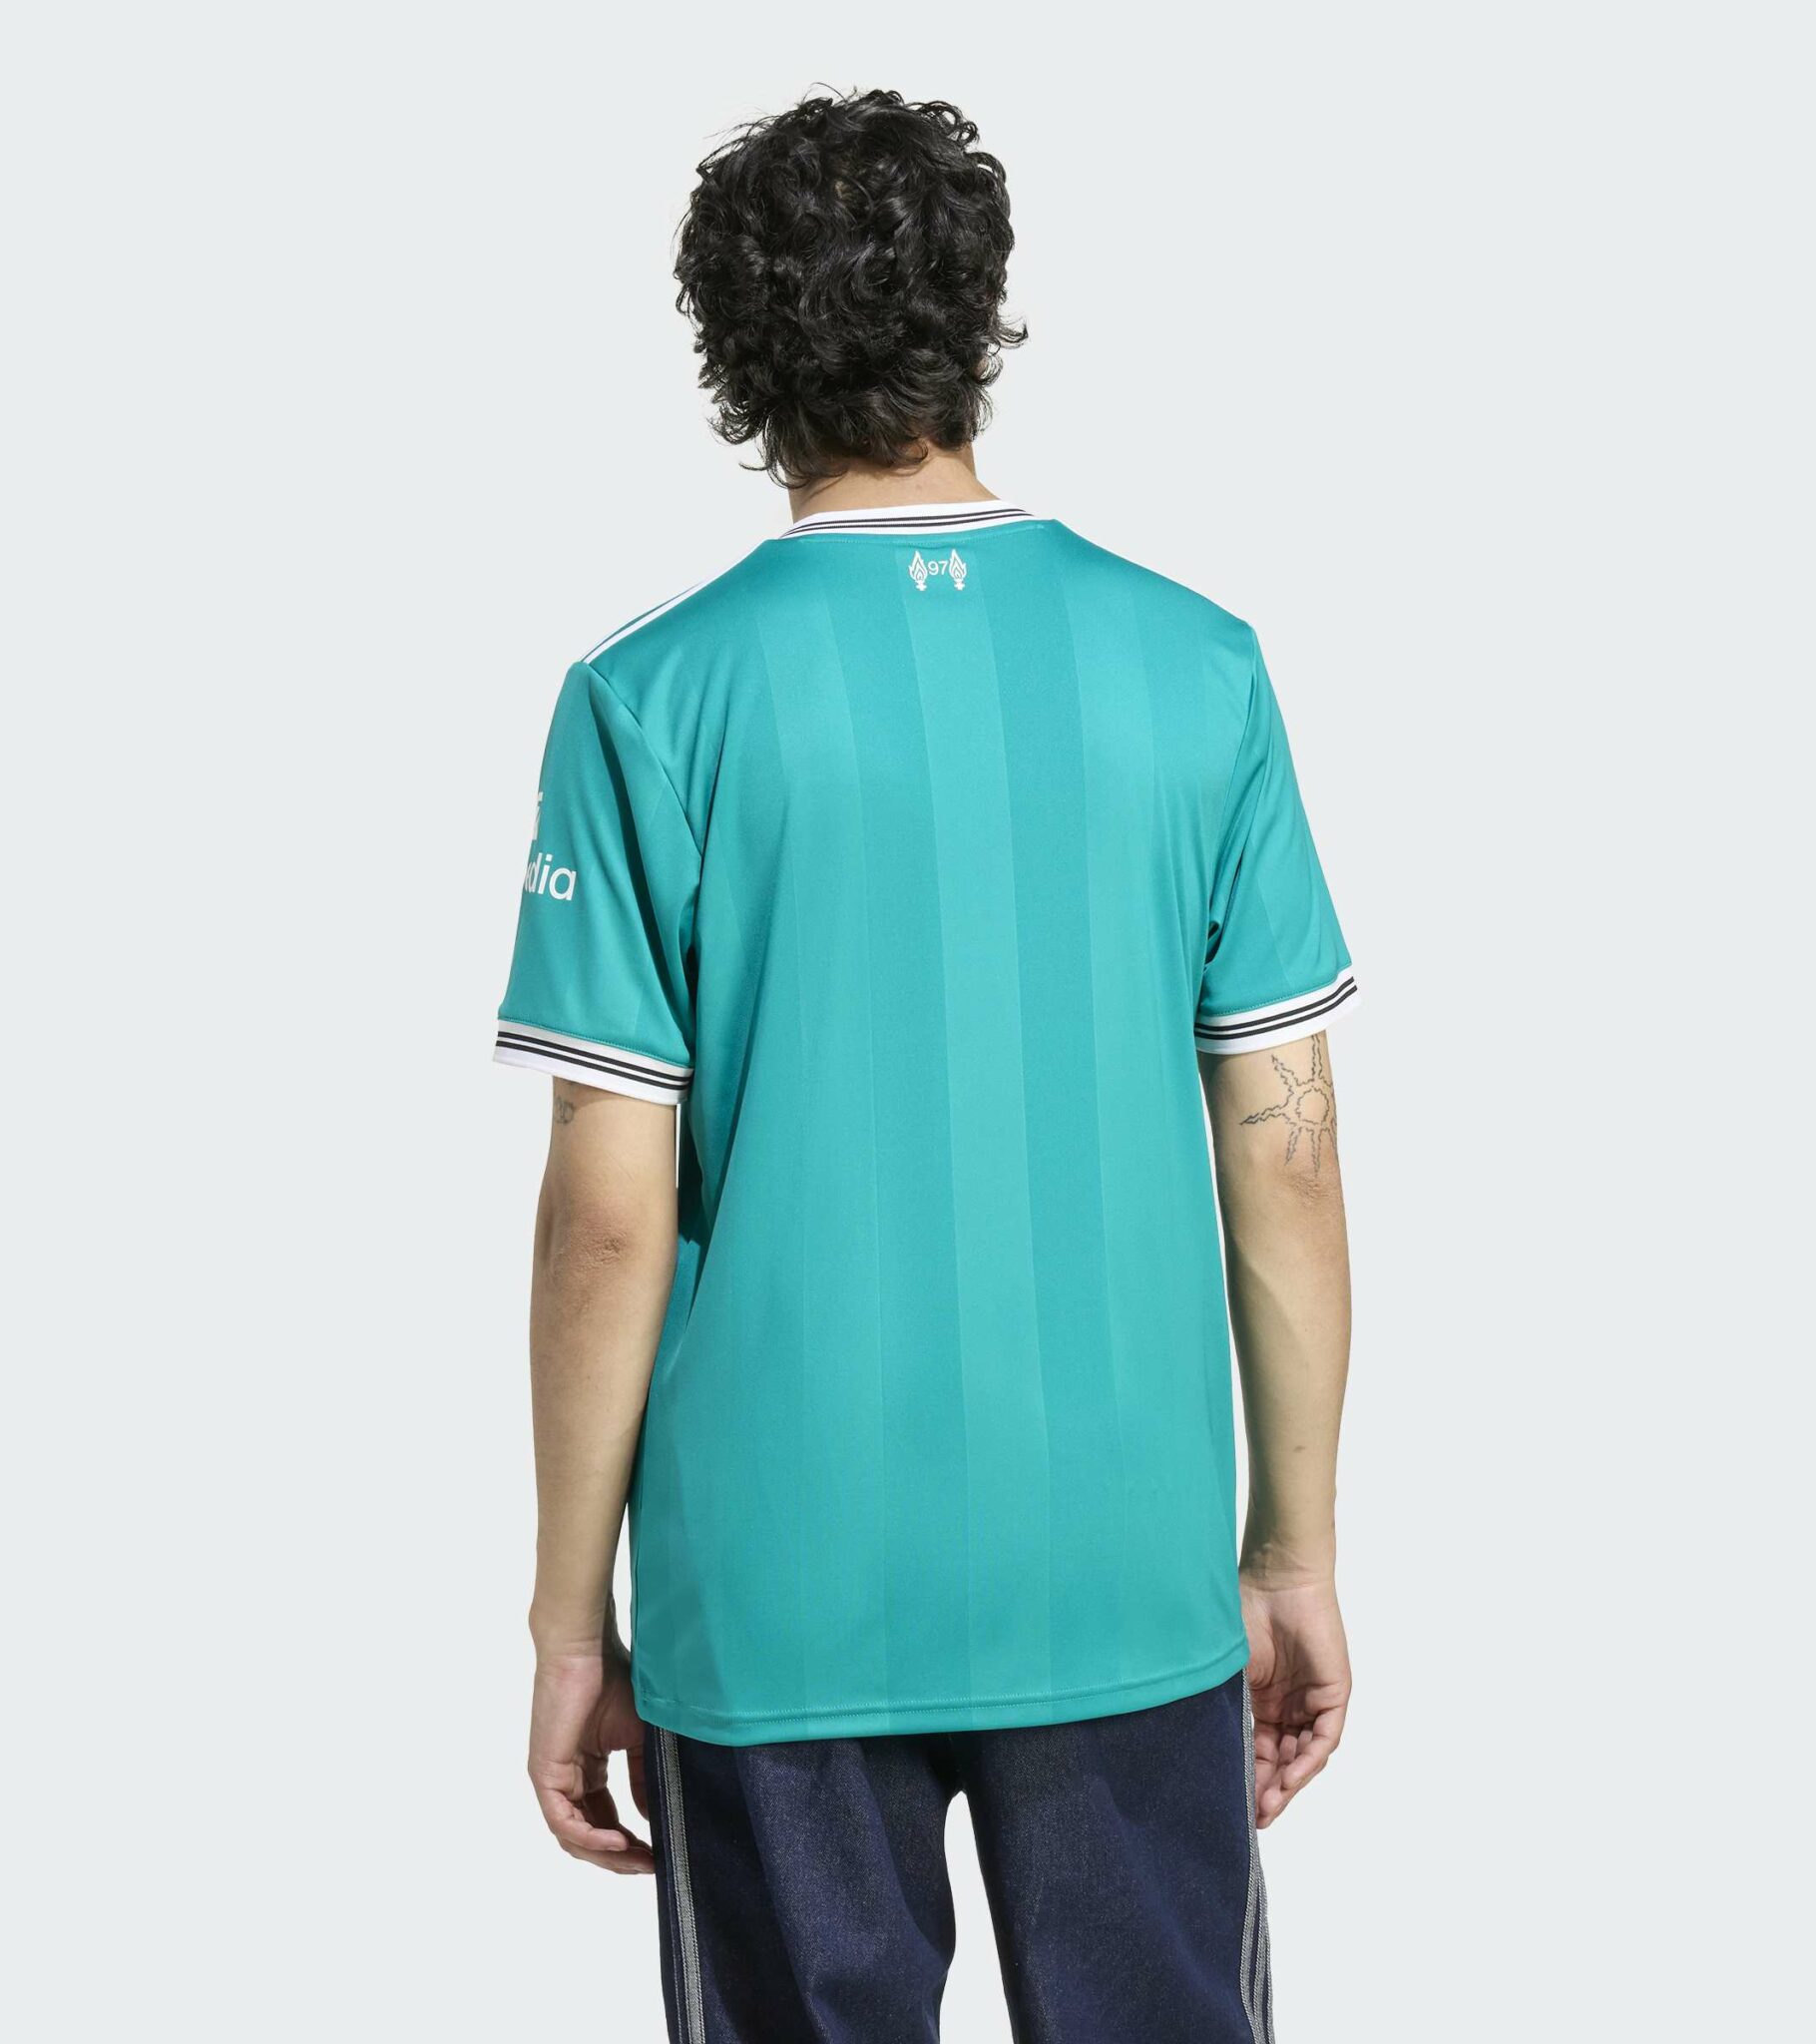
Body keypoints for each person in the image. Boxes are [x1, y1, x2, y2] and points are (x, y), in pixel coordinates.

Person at [494, 87, 1355, 2044]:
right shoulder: (1196, 666)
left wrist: (566, 1618)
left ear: (732, 354)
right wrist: (1293, 1548)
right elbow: (1285, 1152)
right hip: (1121, 1566)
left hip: (772, 1589)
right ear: (979, 320)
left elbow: (608, 1213)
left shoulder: (646, 699)